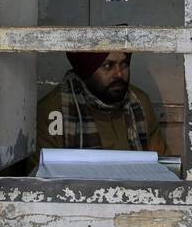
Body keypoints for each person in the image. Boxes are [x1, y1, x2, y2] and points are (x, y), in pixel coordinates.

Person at [32, 50, 166, 171]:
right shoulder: (54, 109)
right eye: (108, 66)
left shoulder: (139, 103)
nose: (119, 74)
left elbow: (163, 165)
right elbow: (42, 180)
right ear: (87, 70)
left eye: (124, 64)